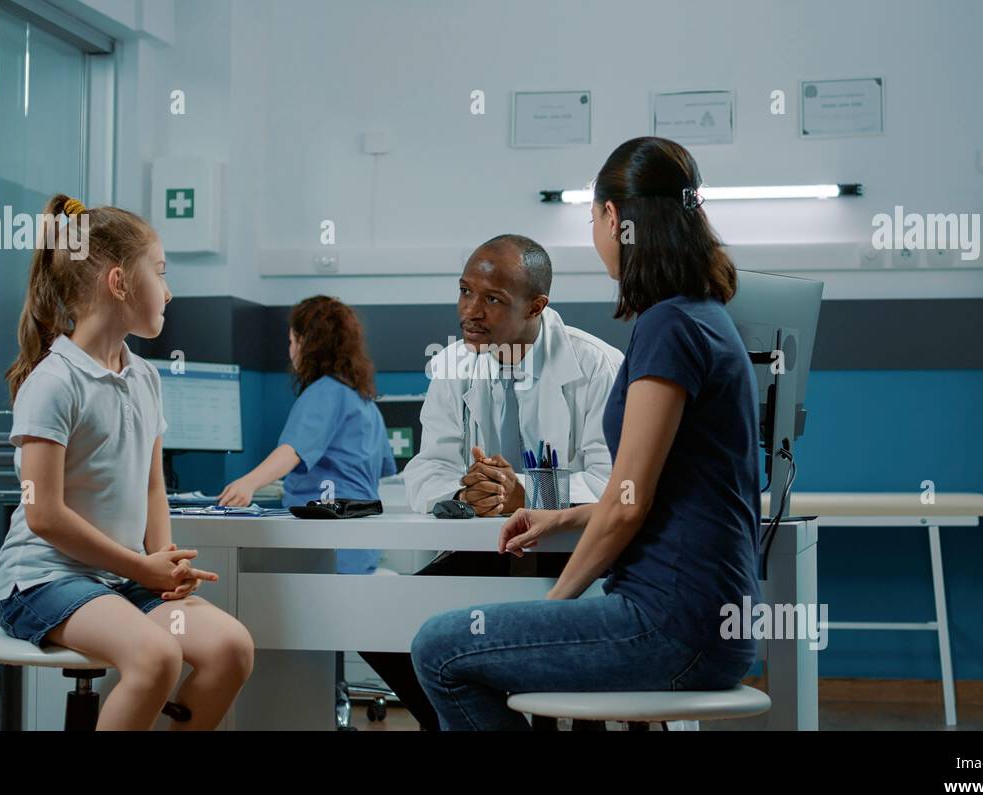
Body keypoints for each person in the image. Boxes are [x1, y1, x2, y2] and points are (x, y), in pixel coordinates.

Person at [410, 137, 763, 730]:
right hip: (703, 618)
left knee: (440, 649)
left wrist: (555, 605)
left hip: (669, 623)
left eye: (593, 217)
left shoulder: (667, 326)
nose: (471, 308)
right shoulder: (698, 316)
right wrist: (564, 517)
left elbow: (628, 505)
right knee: (458, 640)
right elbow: (646, 489)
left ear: (613, 218)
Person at [0, 194, 254, 731]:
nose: (169, 290)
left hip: (117, 582)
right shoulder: (54, 382)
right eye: (159, 272)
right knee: (156, 656)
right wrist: (140, 567)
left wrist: (164, 563)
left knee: (231, 646)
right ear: (118, 282)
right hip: (43, 582)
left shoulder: (146, 378)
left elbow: (152, 486)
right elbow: (42, 516)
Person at [361, 234, 622, 730]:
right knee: (382, 627)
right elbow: (429, 467)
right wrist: (466, 494)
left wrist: (524, 492)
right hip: (491, 552)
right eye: (465, 291)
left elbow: (612, 485)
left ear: (537, 305)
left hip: (576, 556)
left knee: (543, 658)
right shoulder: (454, 364)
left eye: (492, 299)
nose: (470, 311)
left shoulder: (597, 368)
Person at [218, 295, 396, 576]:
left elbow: (292, 451)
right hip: (361, 546)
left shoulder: (324, 391)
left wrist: (247, 484)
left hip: (327, 545)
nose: (290, 351)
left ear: (307, 344)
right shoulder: (364, 401)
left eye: (292, 342)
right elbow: (382, 469)